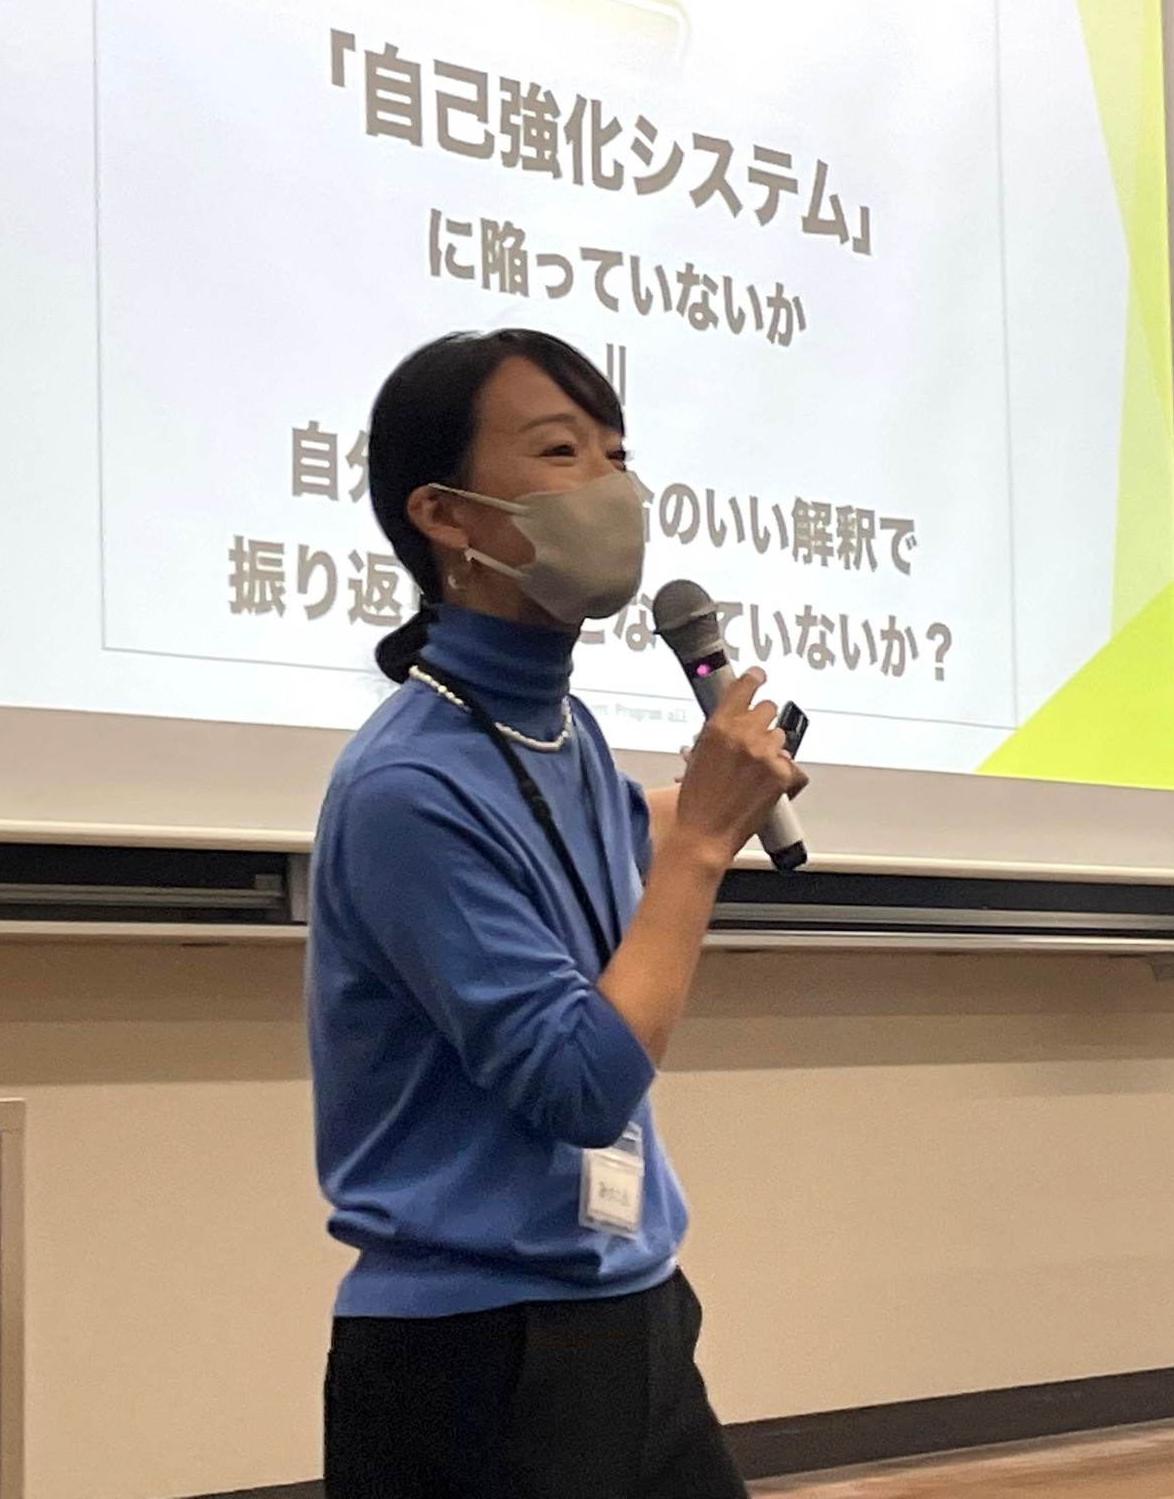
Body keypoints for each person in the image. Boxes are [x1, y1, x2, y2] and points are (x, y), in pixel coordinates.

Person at [307, 328, 803, 1497]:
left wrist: (709, 804)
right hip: (477, 1361)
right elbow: (580, 1086)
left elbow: (597, 835)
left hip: (630, 1306)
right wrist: (699, 844)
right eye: (560, 451)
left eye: (616, 454)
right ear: (445, 515)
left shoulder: (552, 728)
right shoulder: (406, 786)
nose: (611, 487)